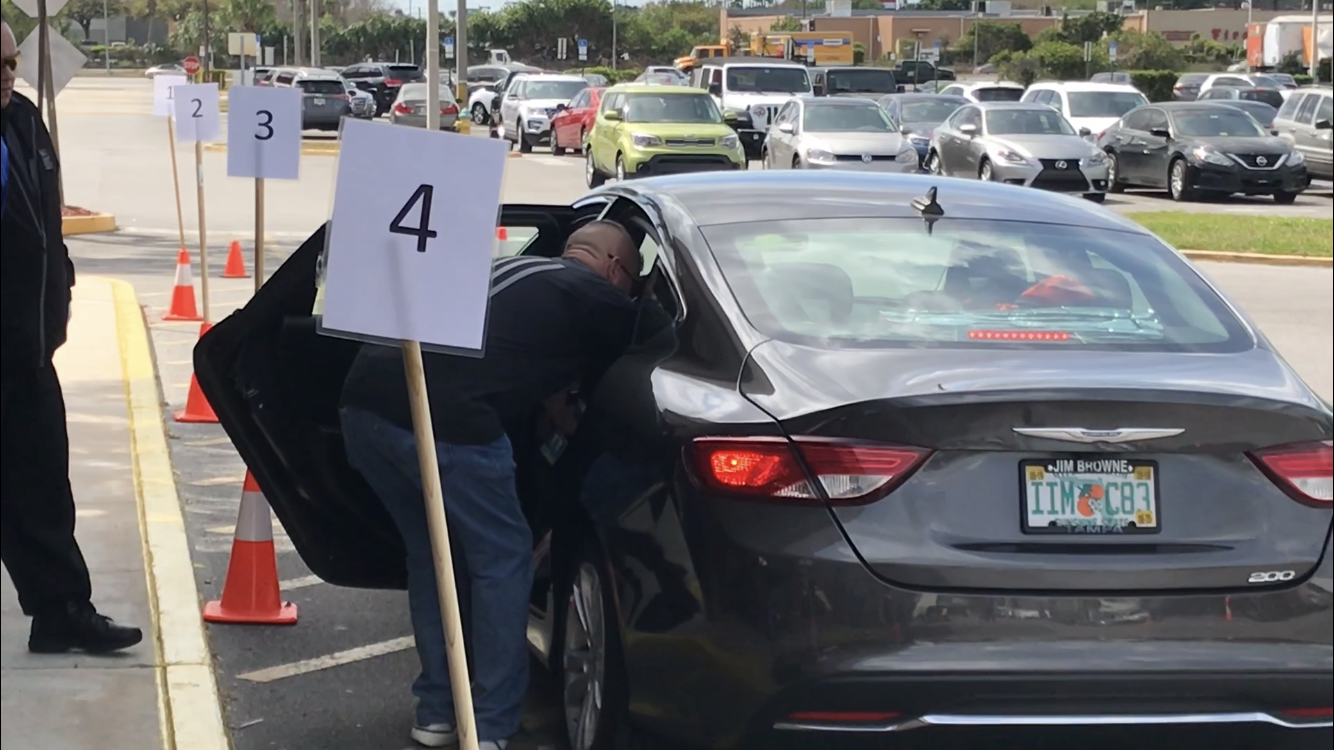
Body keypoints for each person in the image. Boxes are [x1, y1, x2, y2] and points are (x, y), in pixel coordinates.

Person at [339, 220, 663, 750]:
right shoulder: (592, 292)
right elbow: (655, 333)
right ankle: (487, 726)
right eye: (628, 279)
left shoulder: (507, 270)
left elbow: (513, 350)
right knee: (502, 561)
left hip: (366, 408)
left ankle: (438, 713)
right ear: (613, 269)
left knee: (433, 556)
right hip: (449, 424)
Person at [1, 20, 143, 654]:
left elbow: (46, 220)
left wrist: (58, 287)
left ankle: (61, 611)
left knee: (41, 487)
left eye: (10, 63)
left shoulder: (26, 122)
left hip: (27, 351)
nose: (7, 75)